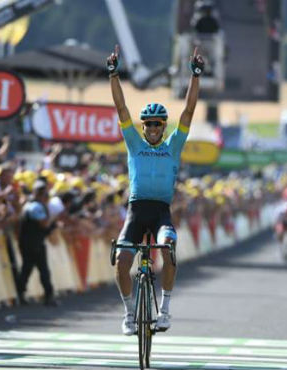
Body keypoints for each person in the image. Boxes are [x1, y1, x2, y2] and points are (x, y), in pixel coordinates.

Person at [106, 44, 204, 335]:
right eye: (147, 125)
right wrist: (113, 74)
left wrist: (195, 75)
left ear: (163, 127)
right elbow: (121, 108)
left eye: (156, 125)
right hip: (136, 211)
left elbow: (188, 111)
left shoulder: (173, 145)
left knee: (169, 249)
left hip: (161, 212)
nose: (150, 129)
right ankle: (129, 313)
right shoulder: (133, 143)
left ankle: (165, 310)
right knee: (123, 262)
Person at [17, 179, 58, 306]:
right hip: (33, 243)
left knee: (28, 269)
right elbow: (44, 223)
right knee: (40, 269)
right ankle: (48, 296)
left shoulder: (30, 205)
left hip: (30, 242)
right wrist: (52, 218)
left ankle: (21, 293)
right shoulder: (35, 207)